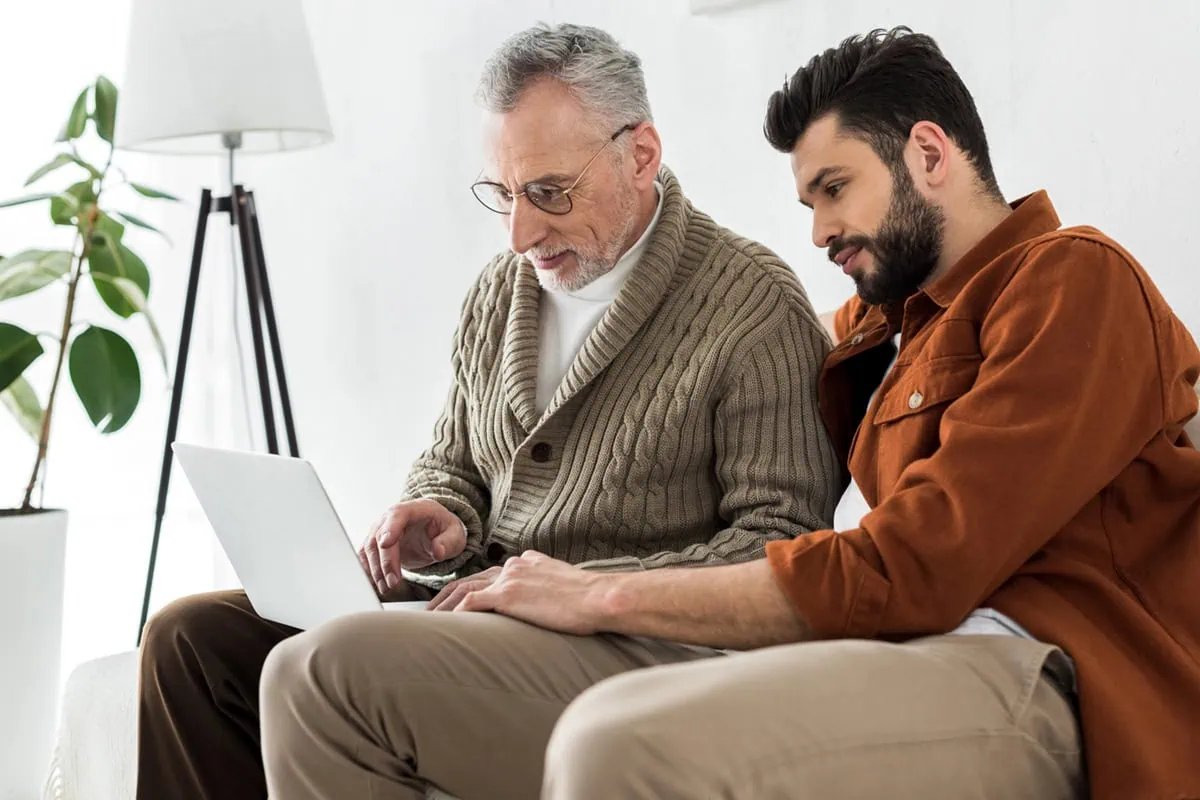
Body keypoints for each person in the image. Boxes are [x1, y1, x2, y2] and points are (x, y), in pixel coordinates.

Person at [259, 26, 1200, 800]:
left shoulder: (1074, 280)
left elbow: (913, 567)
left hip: (1058, 670)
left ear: (927, 152)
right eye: (808, 200)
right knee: (244, 650)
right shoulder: (884, 325)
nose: (818, 230)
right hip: (914, 649)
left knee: (615, 743)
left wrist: (599, 593)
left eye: (835, 189)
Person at [135, 22, 839, 800]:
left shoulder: (753, 308)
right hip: (478, 607)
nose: (520, 234)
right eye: (502, 195)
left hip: (634, 645)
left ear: (640, 154)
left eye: (548, 193)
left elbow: (785, 552)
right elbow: (456, 457)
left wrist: (580, 588)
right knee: (187, 641)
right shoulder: (502, 294)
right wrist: (439, 508)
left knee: (326, 666)